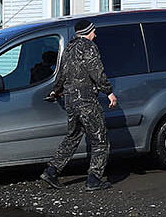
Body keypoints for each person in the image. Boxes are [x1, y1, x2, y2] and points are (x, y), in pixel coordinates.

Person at [40, 20, 118, 191]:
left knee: (73, 136)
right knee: (100, 139)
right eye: (94, 31)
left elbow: (61, 73)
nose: (95, 35)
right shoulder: (89, 47)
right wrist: (109, 91)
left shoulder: (69, 48)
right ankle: (94, 179)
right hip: (87, 100)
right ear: (88, 32)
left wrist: (56, 90)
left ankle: (51, 171)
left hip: (70, 100)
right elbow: (96, 71)